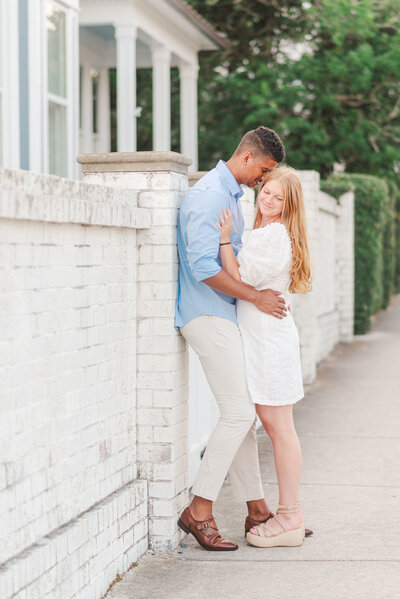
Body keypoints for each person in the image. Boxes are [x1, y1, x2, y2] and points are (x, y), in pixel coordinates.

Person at [175, 126, 289, 551]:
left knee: (242, 415)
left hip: (222, 314)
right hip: (206, 315)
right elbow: (205, 269)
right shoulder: (208, 197)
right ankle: (198, 510)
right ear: (247, 158)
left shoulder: (229, 196)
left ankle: (257, 509)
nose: (264, 178)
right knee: (240, 413)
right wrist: (256, 296)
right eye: (264, 169)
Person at [215, 165, 312, 547]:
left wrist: (224, 240)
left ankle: (289, 517)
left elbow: (240, 277)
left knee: (279, 429)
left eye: (278, 197)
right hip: (263, 341)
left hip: (270, 344)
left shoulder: (274, 235)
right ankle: (285, 514)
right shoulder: (268, 232)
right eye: (266, 192)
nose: (269, 200)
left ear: (290, 205)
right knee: (275, 427)